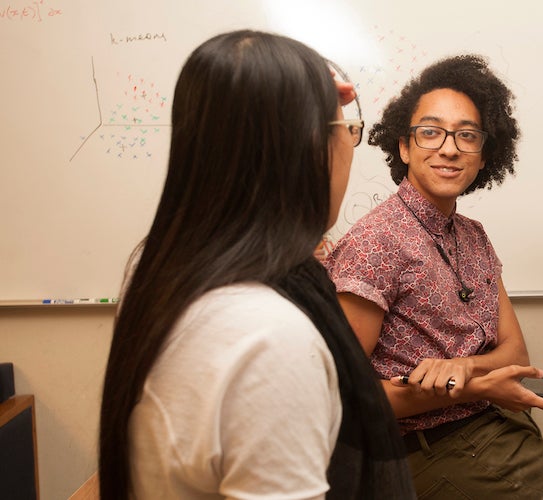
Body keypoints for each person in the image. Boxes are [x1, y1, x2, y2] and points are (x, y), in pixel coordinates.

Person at [97, 30, 415, 499]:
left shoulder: (161, 271)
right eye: (348, 129)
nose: (351, 143)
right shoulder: (269, 337)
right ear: (309, 150)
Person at [326, 54, 543, 499]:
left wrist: (463, 368)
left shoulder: (473, 236)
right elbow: (341, 397)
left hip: (494, 425)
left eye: (467, 136)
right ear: (404, 146)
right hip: (429, 449)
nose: (450, 148)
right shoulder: (376, 241)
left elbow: (515, 352)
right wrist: (472, 387)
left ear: (484, 154)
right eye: (431, 132)